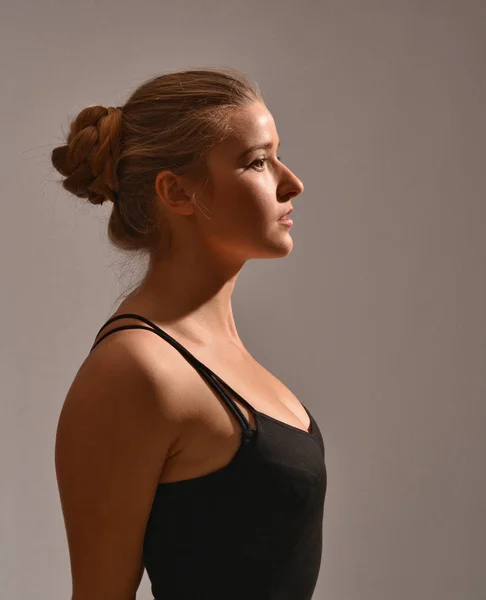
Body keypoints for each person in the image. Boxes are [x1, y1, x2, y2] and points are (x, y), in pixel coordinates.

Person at [52, 66, 327, 600]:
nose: (292, 183)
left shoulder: (222, 356)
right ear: (176, 192)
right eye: (258, 162)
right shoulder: (135, 370)